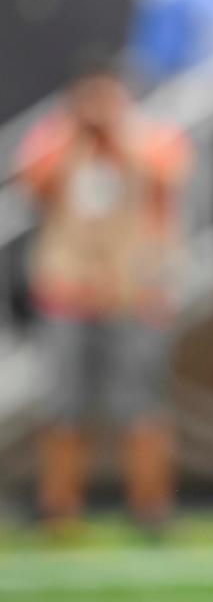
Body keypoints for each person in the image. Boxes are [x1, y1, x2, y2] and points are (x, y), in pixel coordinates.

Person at [16, 65, 191, 535]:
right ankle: (59, 509)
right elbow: (31, 182)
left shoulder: (148, 135)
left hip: (133, 294)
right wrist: (77, 137)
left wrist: (114, 135)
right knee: (62, 406)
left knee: (142, 406)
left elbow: (169, 172)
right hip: (66, 293)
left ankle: (150, 509)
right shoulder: (54, 136)